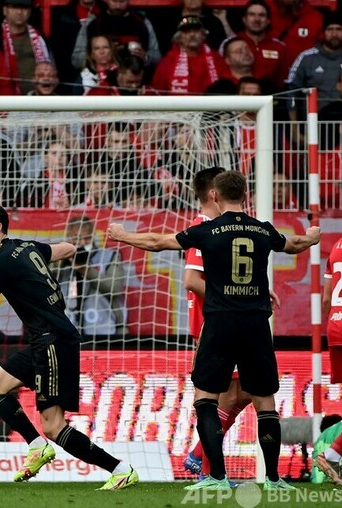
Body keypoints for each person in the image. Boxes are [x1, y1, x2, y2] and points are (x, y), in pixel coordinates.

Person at [106, 170, 320, 490]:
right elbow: (295, 244)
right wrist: (313, 236)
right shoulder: (263, 229)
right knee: (265, 402)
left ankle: (216, 476)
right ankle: (274, 479)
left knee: (206, 398)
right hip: (255, 324)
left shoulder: (207, 230)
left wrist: (123, 235)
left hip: (220, 323)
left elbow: (157, 242)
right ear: (245, 195)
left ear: (215, 196)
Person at [0, 203, 139, 490]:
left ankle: (120, 469)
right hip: (47, 339)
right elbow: (67, 248)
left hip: (53, 341)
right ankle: (37, 446)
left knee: (53, 426)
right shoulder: (25, 246)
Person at [180, 167, 253, 480]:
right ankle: (207, 468)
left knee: (246, 392)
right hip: (214, 324)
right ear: (215, 194)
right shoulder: (204, 228)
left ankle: (199, 456)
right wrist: (233, 297)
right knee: (225, 396)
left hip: (226, 322)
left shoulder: (218, 229)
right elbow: (191, 280)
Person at [55, 216, 127, 337]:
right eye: (77, 238)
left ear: (93, 236)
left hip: (103, 329)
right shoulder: (60, 260)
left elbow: (115, 289)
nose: (82, 243)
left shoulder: (109, 256)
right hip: (66, 331)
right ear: (69, 238)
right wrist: (62, 259)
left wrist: (87, 270)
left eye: (87, 238)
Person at [315, 235, 342, 484]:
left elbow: (325, 300)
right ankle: (332, 455)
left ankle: (333, 456)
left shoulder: (335, 247)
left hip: (335, 328)